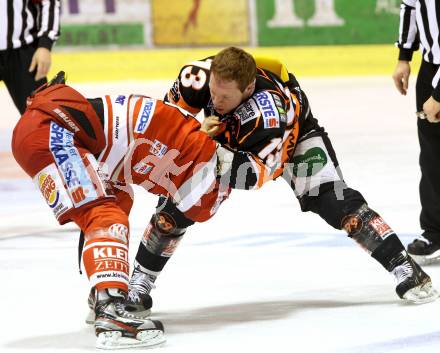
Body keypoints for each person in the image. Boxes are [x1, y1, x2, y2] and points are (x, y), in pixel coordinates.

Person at [125, 47, 438, 316]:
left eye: (225, 96)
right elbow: (163, 123)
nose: (214, 100)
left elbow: (254, 175)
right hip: (227, 139)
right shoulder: (195, 78)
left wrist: (205, 147)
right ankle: (139, 284)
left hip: (290, 140)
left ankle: (405, 266)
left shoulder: (270, 115)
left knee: (335, 202)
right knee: (176, 207)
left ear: (247, 89)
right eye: (213, 93)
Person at [11, 71, 234, 349]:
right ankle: (112, 306)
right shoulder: (190, 146)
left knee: (118, 200)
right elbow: (193, 206)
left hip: (49, 130)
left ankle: (102, 291)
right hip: (52, 132)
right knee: (106, 214)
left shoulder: (177, 128)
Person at [392, 0, 440, 265]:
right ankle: (435, 231)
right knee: (432, 154)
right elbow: (409, 6)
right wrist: (404, 57)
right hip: (431, 66)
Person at [0, 0, 60, 114]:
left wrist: (45, 44)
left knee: (41, 115)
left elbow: (48, 2)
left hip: (23, 51)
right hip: (22, 50)